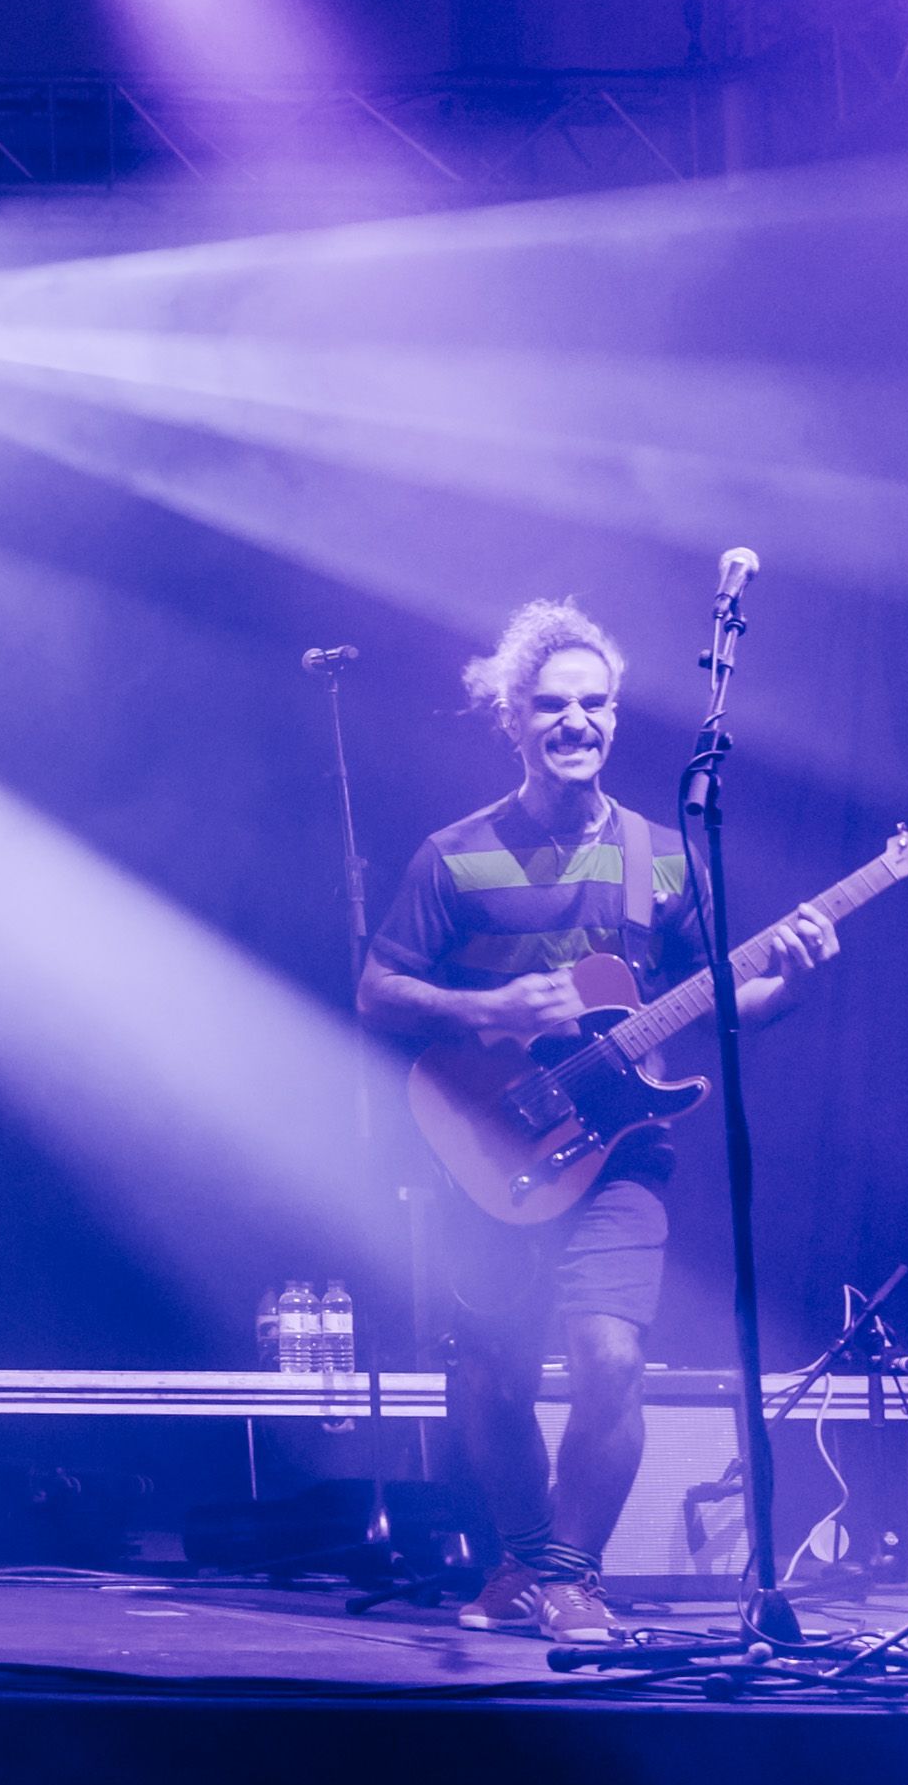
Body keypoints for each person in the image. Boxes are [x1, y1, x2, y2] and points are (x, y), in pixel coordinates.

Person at [353, 599, 834, 1644]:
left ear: (615, 716)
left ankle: (573, 1573)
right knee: (485, 1376)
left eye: (594, 704)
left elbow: (722, 995)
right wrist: (482, 1008)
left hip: (623, 1154)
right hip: (491, 1145)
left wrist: (787, 981)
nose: (576, 722)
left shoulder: (662, 856)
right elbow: (378, 988)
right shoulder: (454, 854)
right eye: (552, 704)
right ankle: (522, 1553)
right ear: (514, 720)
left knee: (611, 1358)